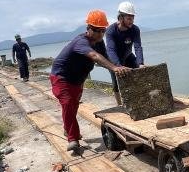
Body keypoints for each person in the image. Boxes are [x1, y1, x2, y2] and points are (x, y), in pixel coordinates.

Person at [50, 10, 130, 154]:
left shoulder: (99, 43)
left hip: (77, 80)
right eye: (96, 30)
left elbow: (105, 57)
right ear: (88, 29)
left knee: (73, 106)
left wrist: (117, 68)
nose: (100, 34)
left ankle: (67, 129)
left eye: (102, 31)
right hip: (61, 78)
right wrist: (113, 68)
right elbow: (94, 56)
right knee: (67, 104)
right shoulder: (81, 42)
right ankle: (73, 139)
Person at [105, 1, 144, 105]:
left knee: (140, 73)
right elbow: (110, 50)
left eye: (132, 18)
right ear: (121, 18)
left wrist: (140, 63)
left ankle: (139, 100)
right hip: (113, 59)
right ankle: (119, 105)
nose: (132, 21)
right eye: (129, 18)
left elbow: (138, 47)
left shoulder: (135, 29)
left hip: (127, 56)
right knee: (116, 82)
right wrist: (118, 66)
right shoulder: (111, 31)